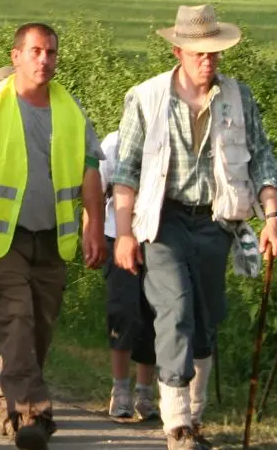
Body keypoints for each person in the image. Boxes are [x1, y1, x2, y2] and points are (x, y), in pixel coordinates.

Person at [111, 5, 277, 450]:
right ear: (178, 51)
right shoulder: (146, 97)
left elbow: (263, 159)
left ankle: (196, 413)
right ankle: (177, 426)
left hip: (215, 222)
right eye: (198, 54)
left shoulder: (238, 97)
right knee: (175, 310)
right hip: (164, 221)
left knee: (207, 320)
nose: (208, 62)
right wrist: (125, 233)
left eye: (214, 54)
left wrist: (272, 217)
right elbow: (126, 171)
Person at [0, 24, 108, 449]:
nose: (44, 60)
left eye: (51, 52)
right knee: (17, 320)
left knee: (38, 329)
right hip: (1, 241)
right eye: (36, 51)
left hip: (52, 240)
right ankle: (33, 413)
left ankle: (8, 405)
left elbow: (90, 169)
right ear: (16, 55)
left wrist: (95, 223)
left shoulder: (69, 109)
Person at [100, 125, 160, 424]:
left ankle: (145, 393)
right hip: (116, 236)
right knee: (122, 312)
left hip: (155, 237)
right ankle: (120, 390)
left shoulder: (165, 141)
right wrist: (93, 235)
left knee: (153, 314)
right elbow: (96, 188)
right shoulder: (114, 143)